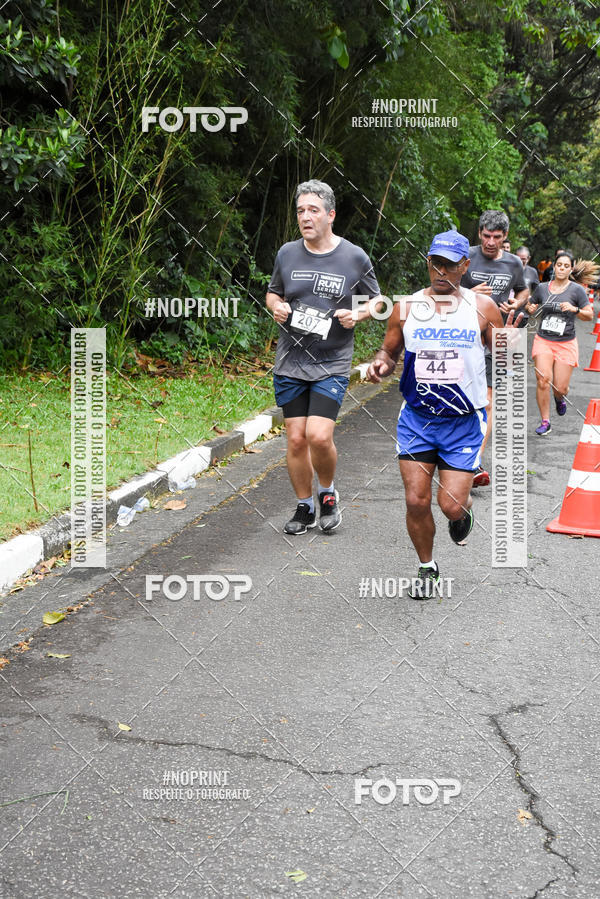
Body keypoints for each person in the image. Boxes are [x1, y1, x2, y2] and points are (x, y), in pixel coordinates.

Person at [367, 230, 522, 597]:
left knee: (450, 505)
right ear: (428, 262)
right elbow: (389, 353)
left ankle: (463, 511)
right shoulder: (405, 308)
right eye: (436, 263)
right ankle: (427, 568)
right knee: (415, 500)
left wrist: (510, 347)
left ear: (464, 266)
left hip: (463, 423)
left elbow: (503, 359)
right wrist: (379, 366)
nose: (441, 271)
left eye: (450, 265)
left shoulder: (483, 308)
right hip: (418, 420)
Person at [266, 179, 384, 534]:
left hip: (331, 361)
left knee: (318, 435)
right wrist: (277, 307)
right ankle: (304, 506)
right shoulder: (287, 253)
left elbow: (379, 302)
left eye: (313, 210)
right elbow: (272, 293)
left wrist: (359, 314)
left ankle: (327, 493)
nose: (305, 217)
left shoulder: (353, 256)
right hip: (290, 360)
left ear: (330, 215)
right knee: (296, 438)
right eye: (301, 211)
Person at [460, 210, 529, 487]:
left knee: (488, 402)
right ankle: (453, 454)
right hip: (462, 337)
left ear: (505, 237)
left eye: (496, 237)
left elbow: (523, 290)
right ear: (479, 233)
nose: (490, 241)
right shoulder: (464, 256)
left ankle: (474, 462)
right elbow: (441, 290)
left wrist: (517, 303)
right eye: (486, 235)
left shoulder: (513, 263)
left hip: (498, 339)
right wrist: (470, 293)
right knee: (462, 399)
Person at [527, 252, 595, 434]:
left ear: (570, 269)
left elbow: (589, 315)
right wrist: (530, 308)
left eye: (566, 266)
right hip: (544, 340)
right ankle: (545, 421)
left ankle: (559, 398)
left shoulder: (576, 290)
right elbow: (531, 306)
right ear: (554, 267)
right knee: (543, 380)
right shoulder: (542, 288)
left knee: (560, 387)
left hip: (566, 342)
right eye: (559, 265)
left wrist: (575, 309)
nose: (562, 268)